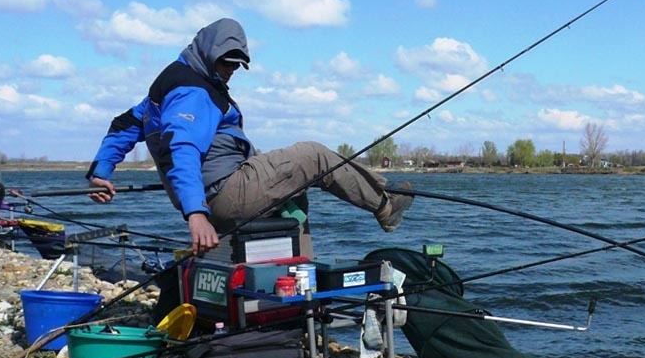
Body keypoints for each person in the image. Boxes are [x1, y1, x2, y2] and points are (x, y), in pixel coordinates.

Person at [86, 18, 413, 256]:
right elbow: (180, 148)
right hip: (223, 194)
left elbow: (125, 124)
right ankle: (385, 205)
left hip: (216, 194)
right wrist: (195, 215)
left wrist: (101, 170)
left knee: (292, 198)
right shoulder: (193, 91)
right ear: (207, 51)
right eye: (226, 62)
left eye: (238, 65)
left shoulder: (170, 83)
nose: (231, 70)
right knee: (313, 156)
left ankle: (295, 280)